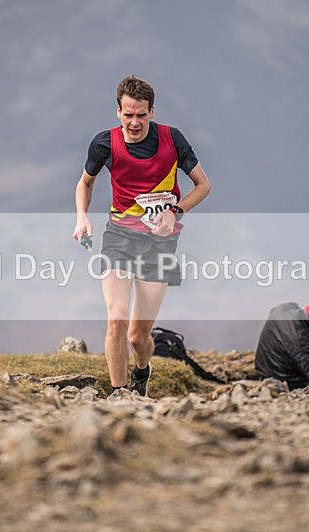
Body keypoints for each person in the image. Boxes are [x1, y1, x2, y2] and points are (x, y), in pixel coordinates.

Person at [73, 75, 211, 396]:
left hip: (160, 243)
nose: (134, 123)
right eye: (128, 114)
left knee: (137, 337)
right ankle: (120, 396)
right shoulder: (104, 144)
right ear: (117, 112)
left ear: (152, 111)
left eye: (141, 115)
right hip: (118, 238)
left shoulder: (172, 139)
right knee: (116, 321)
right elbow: (86, 183)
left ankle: (141, 370)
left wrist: (174, 212)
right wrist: (81, 218)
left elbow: (203, 186)